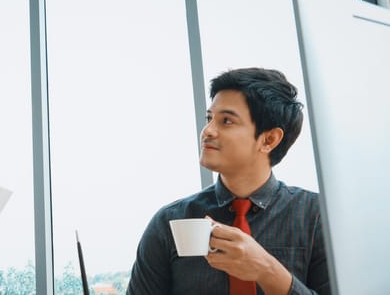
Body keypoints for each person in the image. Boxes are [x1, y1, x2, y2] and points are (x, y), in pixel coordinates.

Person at [127, 68, 329, 294]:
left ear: (269, 139)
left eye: (226, 121)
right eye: (209, 118)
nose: (207, 131)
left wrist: (266, 269)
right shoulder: (169, 221)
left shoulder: (318, 217)